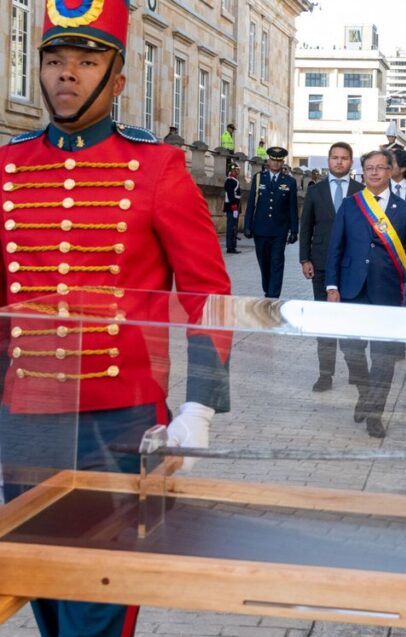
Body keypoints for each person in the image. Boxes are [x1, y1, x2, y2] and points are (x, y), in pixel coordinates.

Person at [0, 1, 232, 635]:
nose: (65, 75)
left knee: (100, 601)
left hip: (121, 420)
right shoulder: (7, 167)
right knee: (42, 590)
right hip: (23, 420)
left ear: (119, 79)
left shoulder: (158, 168)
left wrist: (201, 405)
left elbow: (207, 291)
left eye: (85, 59)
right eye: (53, 60)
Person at [324, 150, 406, 438]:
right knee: (351, 351)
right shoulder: (350, 206)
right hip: (352, 288)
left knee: (384, 358)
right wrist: (332, 286)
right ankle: (365, 393)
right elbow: (335, 247)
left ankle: (375, 413)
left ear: (391, 171)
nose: (374, 173)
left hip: (388, 290)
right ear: (363, 173)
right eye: (369, 168)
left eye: (380, 168)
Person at [299, 141, 365, 392]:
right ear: (328, 161)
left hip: (352, 267)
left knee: (352, 321)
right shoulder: (316, 191)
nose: (339, 162)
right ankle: (325, 374)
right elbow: (306, 227)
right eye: (335, 157)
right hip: (322, 265)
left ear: (352, 162)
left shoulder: (361, 191)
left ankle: (356, 372)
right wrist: (305, 259)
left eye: (344, 158)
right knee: (324, 321)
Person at [244, 146, 298, 298]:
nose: (275, 164)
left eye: (279, 161)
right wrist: (247, 225)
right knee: (264, 263)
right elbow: (251, 204)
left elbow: (292, 208)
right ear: (268, 160)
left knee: (276, 263)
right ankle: (268, 288)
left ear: (282, 162)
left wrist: (294, 230)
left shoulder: (289, 182)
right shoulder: (259, 178)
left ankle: (273, 296)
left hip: (279, 231)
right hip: (260, 229)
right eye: (273, 160)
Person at [224, 163, 241, 253]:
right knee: (231, 227)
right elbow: (231, 196)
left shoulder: (234, 180)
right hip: (232, 208)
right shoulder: (230, 181)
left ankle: (232, 246)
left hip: (234, 207)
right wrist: (234, 209)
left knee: (234, 227)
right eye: (236, 170)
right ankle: (230, 247)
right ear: (231, 171)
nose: (237, 172)